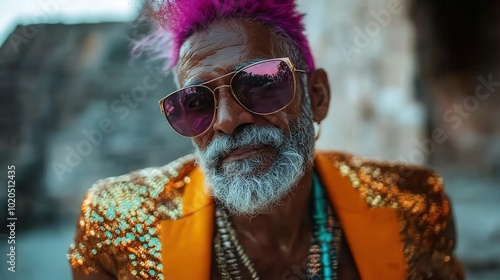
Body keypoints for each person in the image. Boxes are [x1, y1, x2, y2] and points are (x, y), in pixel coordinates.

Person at [68, 0, 465, 279]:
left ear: (317, 96)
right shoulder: (116, 226)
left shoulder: (412, 205)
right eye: (196, 101)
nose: (227, 121)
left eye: (260, 83)